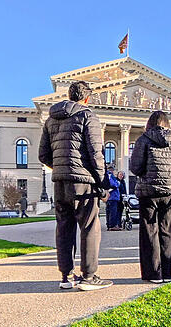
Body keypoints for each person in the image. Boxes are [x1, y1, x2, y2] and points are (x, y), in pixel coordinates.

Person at [39, 81, 112, 291]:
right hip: (83, 182)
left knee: (64, 227)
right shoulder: (88, 116)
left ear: (70, 96)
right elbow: (96, 153)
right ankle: (89, 277)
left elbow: (43, 154)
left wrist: (62, 167)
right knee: (89, 226)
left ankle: (66, 276)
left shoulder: (51, 119)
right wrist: (102, 181)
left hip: (60, 182)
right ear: (87, 98)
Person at [130, 110, 171, 283]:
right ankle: (167, 273)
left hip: (149, 191)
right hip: (170, 193)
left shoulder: (143, 140)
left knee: (149, 232)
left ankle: (153, 274)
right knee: (166, 232)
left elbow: (135, 168)